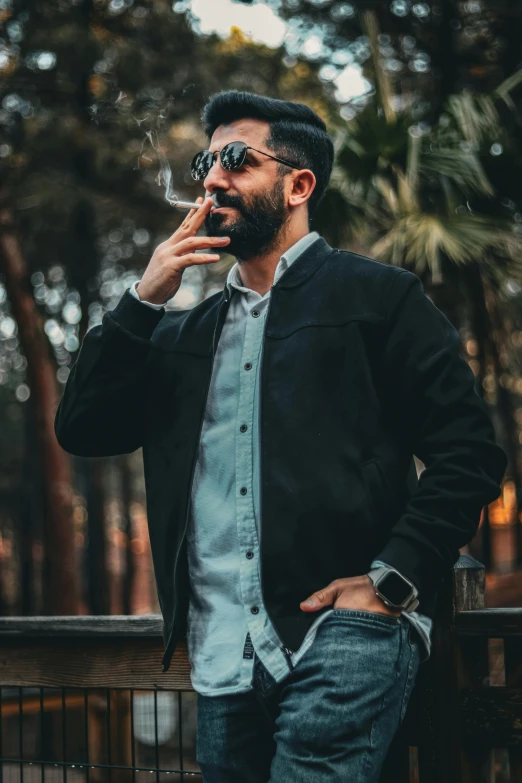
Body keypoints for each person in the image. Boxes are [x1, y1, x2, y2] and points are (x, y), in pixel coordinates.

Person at [54, 90, 508, 782]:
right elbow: (82, 426)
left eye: (238, 159)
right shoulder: (181, 336)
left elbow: (470, 450)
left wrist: (391, 579)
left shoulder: (380, 299)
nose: (211, 177)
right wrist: (144, 297)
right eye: (208, 160)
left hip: (346, 634)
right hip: (222, 656)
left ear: (299, 185)